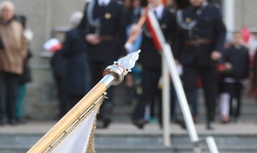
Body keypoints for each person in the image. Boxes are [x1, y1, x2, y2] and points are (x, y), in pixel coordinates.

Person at [174, 0, 227, 129]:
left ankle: (210, 118)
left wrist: (217, 49)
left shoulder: (213, 11)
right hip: (189, 56)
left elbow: (221, 31)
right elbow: (178, 37)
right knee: (189, 87)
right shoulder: (184, 13)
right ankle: (189, 116)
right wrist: (176, 56)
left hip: (208, 54)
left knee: (210, 89)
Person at [130, 0, 177, 129]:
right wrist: (134, 27)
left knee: (164, 90)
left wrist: (175, 56)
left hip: (164, 57)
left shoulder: (170, 14)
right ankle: (138, 116)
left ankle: (164, 119)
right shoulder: (144, 12)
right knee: (146, 88)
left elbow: (175, 35)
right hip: (148, 58)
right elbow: (135, 24)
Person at [82, 0, 128, 128]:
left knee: (108, 82)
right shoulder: (90, 6)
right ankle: (96, 113)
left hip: (110, 50)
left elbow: (121, 31)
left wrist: (121, 52)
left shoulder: (117, 7)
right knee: (94, 83)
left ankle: (107, 111)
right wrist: (87, 36)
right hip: (93, 51)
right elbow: (82, 27)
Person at [0, 1, 29, 125]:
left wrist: (21, 56)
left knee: (13, 93)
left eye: (10, 11)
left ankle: (12, 116)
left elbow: (24, 43)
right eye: (5, 10)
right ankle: (0, 117)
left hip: (15, 64)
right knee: (0, 93)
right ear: (1, 12)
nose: (7, 13)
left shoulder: (17, 25)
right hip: (0, 64)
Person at [60, 10, 91, 112]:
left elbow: (65, 51)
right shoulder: (87, 33)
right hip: (86, 63)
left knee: (74, 92)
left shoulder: (71, 33)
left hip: (73, 64)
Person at [218, 31, 250, 124]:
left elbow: (246, 64)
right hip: (230, 77)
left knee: (239, 97)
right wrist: (226, 66)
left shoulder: (244, 50)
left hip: (240, 77)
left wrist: (246, 75)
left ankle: (237, 115)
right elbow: (223, 61)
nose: (236, 39)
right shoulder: (228, 50)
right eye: (235, 37)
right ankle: (229, 114)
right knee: (230, 97)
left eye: (238, 37)